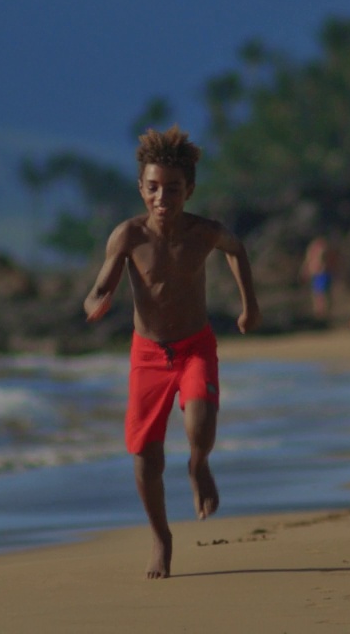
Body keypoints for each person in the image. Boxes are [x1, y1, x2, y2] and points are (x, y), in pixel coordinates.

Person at [84, 124, 261, 579]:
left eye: (173, 188)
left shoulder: (205, 232)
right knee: (145, 456)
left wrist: (249, 304)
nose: (163, 197)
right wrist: (96, 302)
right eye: (154, 188)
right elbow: (100, 285)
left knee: (200, 422)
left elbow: (237, 250)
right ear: (141, 189)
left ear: (190, 190)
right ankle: (161, 537)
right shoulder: (128, 236)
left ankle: (199, 465)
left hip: (195, 346)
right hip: (148, 354)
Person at [301, 235, 334, 322]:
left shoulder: (322, 247)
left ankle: (324, 317)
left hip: (322, 275)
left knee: (323, 297)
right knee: (318, 297)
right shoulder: (314, 249)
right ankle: (320, 317)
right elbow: (309, 262)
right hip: (317, 276)